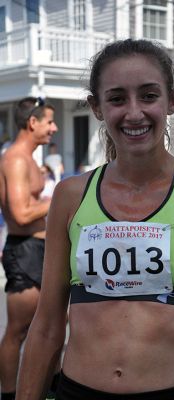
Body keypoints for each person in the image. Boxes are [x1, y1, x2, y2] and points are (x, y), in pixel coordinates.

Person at [15, 40, 174, 400]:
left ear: (171, 100)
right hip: (75, 391)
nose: (134, 112)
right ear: (96, 107)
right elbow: (47, 326)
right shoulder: (70, 195)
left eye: (148, 95)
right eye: (117, 98)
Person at [0, 97, 59, 400]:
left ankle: (50, 388)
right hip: (24, 250)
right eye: (49, 121)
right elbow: (21, 214)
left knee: (53, 323)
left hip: (40, 248)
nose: (55, 127)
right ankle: (10, 395)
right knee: (18, 330)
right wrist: (56, 200)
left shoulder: (30, 159)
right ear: (33, 122)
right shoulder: (16, 159)